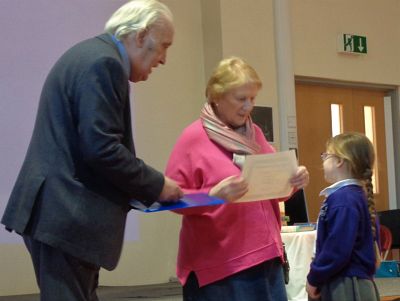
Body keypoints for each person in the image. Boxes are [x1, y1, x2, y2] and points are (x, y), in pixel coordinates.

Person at [1, 1, 183, 300]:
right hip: (65, 217)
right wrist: (157, 184)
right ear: (139, 36)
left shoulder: (91, 55)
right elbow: (102, 149)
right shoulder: (104, 63)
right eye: (163, 45)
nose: (163, 59)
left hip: (60, 216)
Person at [165, 56, 310, 301]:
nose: (248, 106)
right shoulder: (193, 137)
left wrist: (292, 182)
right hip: (221, 267)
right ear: (217, 97)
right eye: (241, 99)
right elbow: (170, 199)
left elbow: (271, 191)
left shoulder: (254, 134)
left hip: (267, 258)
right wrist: (212, 197)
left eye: (252, 98)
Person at [306, 132, 380, 301]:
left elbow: (336, 249)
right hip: (352, 283)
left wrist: (314, 278)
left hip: (346, 286)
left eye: (326, 155)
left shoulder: (344, 200)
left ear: (339, 161)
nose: (323, 160)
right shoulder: (354, 196)